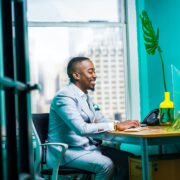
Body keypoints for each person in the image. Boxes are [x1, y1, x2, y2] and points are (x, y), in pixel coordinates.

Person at [47, 57, 140, 180]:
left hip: (89, 149)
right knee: (106, 165)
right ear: (76, 75)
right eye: (90, 72)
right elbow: (81, 129)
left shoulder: (84, 97)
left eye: (94, 72)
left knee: (128, 160)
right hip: (68, 153)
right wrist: (116, 126)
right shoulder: (64, 96)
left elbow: (100, 121)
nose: (95, 75)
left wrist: (123, 124)